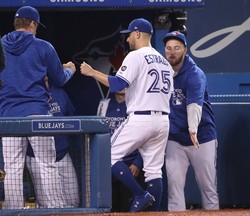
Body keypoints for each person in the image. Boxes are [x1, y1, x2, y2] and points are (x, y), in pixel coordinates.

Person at [80, 18, 174, 212]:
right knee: (154, 172)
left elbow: (117, 85)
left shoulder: (135, 55)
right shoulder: (164, 61)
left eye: (130, 34)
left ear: (138, 34)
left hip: (140, 117)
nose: (128, 39)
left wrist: (92, 73)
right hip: (163, 120)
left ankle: (139, 194)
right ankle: (152, 212)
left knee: (108, 155)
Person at [0, 6, 76, 209]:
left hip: (8, 117)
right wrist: (69, 70)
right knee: (47, 165)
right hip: (37, 114)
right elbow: (59, 79)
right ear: (32, 24)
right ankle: (55, 211)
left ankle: (13, 212)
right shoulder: (42, 46)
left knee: (12, 169)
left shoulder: (1, 46)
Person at [163, 31, 219, 211]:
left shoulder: (195, 73)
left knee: (208, 188)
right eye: (168, 48)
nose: (172, 52)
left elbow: (194, 104)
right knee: (174, 188)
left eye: (177, 48)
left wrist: (192, 130)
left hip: (201, 138)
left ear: (185, 50)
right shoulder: (162, 72)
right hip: (175, 138)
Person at [26, 76, 80, 208]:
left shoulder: (59, 93)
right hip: (37, 157)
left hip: (62, 154)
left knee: (73, 200)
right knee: (47, 204)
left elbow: (72, 118)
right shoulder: (26, 94)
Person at [97, 90, 145, 212]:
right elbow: (96, 132)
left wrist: (137, 162)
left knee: (127, 206)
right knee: (110, 206)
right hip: (107, 164)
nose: (122, 87)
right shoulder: (104, 104)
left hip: (129, 165)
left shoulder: (137, 104)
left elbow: (145, 136)